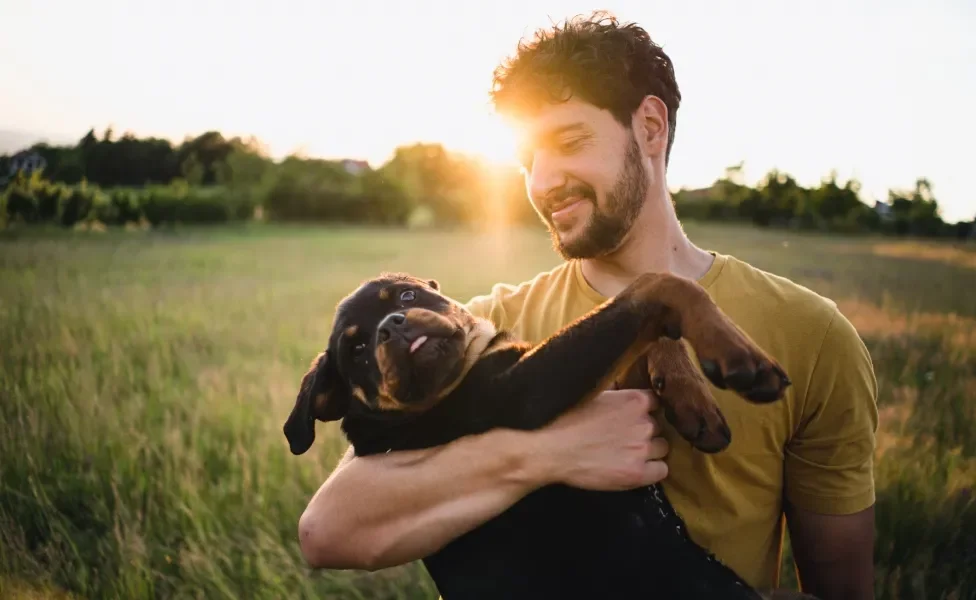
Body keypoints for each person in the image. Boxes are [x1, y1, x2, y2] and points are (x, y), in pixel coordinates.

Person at [296, 12, 878, 600]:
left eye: (569, 142)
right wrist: (547, 453)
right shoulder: (480, 332)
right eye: (526, 162)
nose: (544, 180)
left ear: (650, 127)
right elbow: (329, 531)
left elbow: (840, 589)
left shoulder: (814, 334)